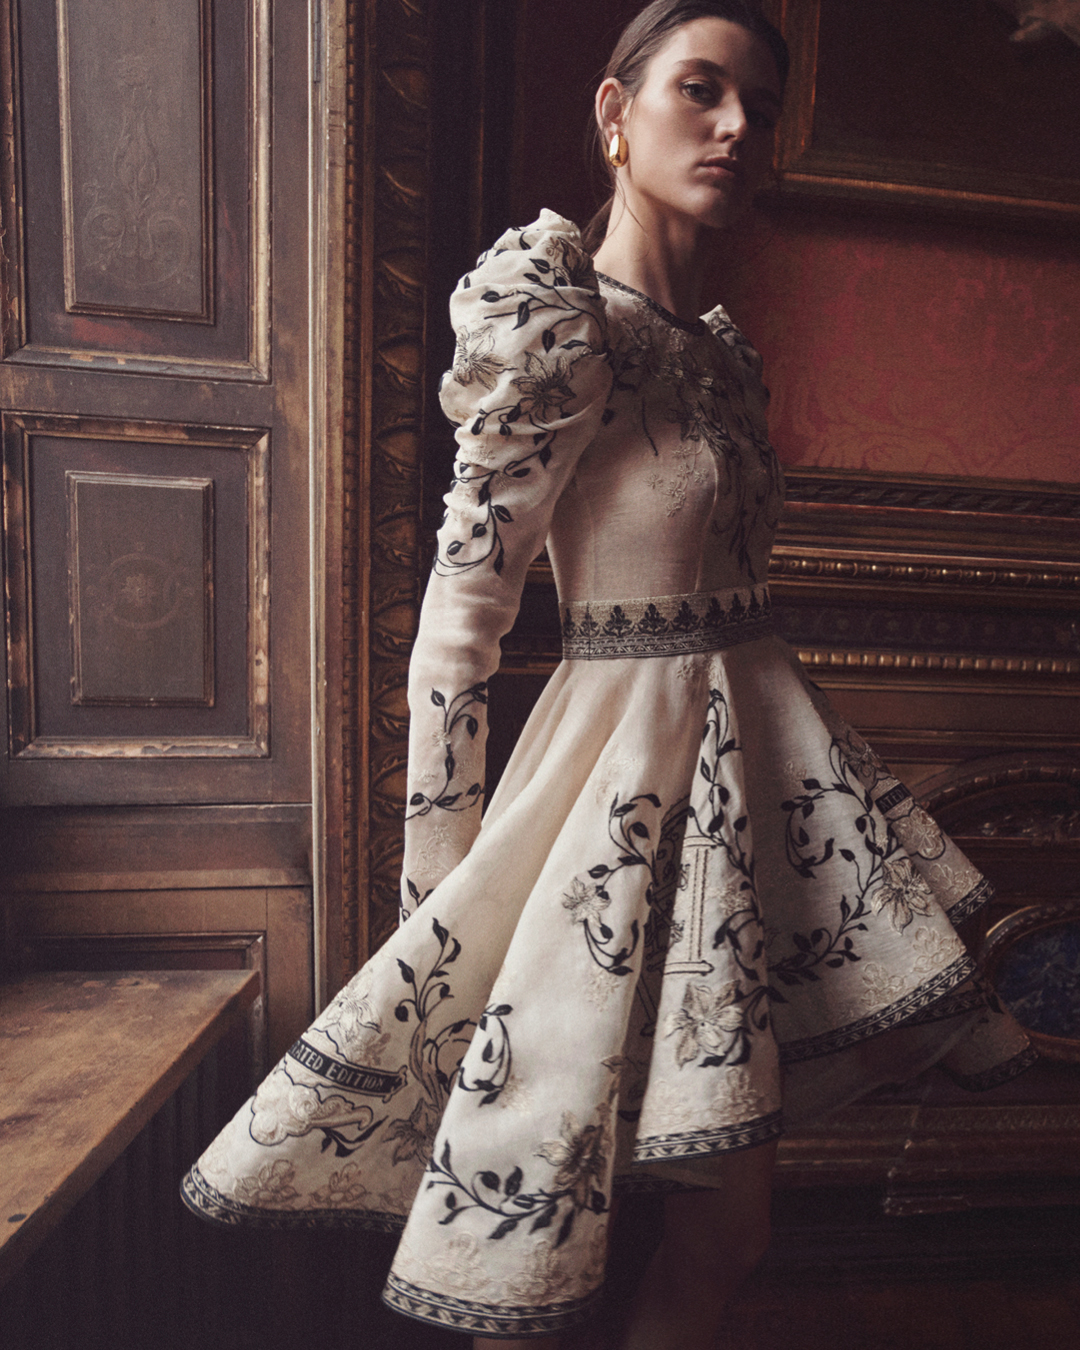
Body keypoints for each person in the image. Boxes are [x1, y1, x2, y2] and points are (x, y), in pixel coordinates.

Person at [183, 4, 1034, 1347]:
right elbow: (461, 619)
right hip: (611, 803)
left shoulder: (722, 353)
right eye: (702, 90)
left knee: (729, 1230)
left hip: (758, 804)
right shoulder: (557, 320)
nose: (737, 128)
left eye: (761, 108)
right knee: (529, 1239)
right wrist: (441, 899)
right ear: (615, 113)